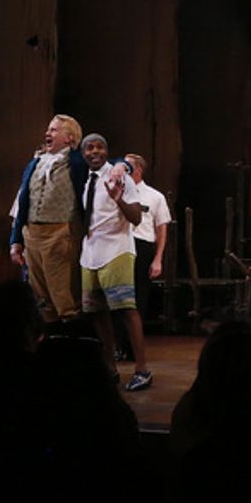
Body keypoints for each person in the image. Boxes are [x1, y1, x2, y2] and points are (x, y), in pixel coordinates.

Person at [11, 114, 127, 324]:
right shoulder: (35, 163)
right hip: (32, 235)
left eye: (54, 130)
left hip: (60, 233)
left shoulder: (76, 160)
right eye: (48, 129)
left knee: (63, 295)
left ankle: (70, 342)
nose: (48, 133)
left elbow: (112, 160)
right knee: (40, 296)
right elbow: (23, 201)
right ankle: (50, 343)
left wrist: (122, 166)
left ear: (70, 138)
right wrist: (16, 240)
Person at [77, 133, 152, 391]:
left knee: (125, 309)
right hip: (90, 252)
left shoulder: (121, 176)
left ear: (107, 152)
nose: (94, 152)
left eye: (99, 147)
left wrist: (118, 197)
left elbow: (136, 219)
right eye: (89, 148)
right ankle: (109, 368)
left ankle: (142, 369)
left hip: (116, 249)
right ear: (83, 152)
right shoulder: (86, 180)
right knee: (96, 312)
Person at [124, 153, 172, 323]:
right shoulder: (117, 192)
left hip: (142, 247)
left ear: (138, 170)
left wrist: (158, 259)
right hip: (120, 245)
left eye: (128, 166)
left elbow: (161, 228)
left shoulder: (155, 196)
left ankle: (134, 339)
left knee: (139, 295)